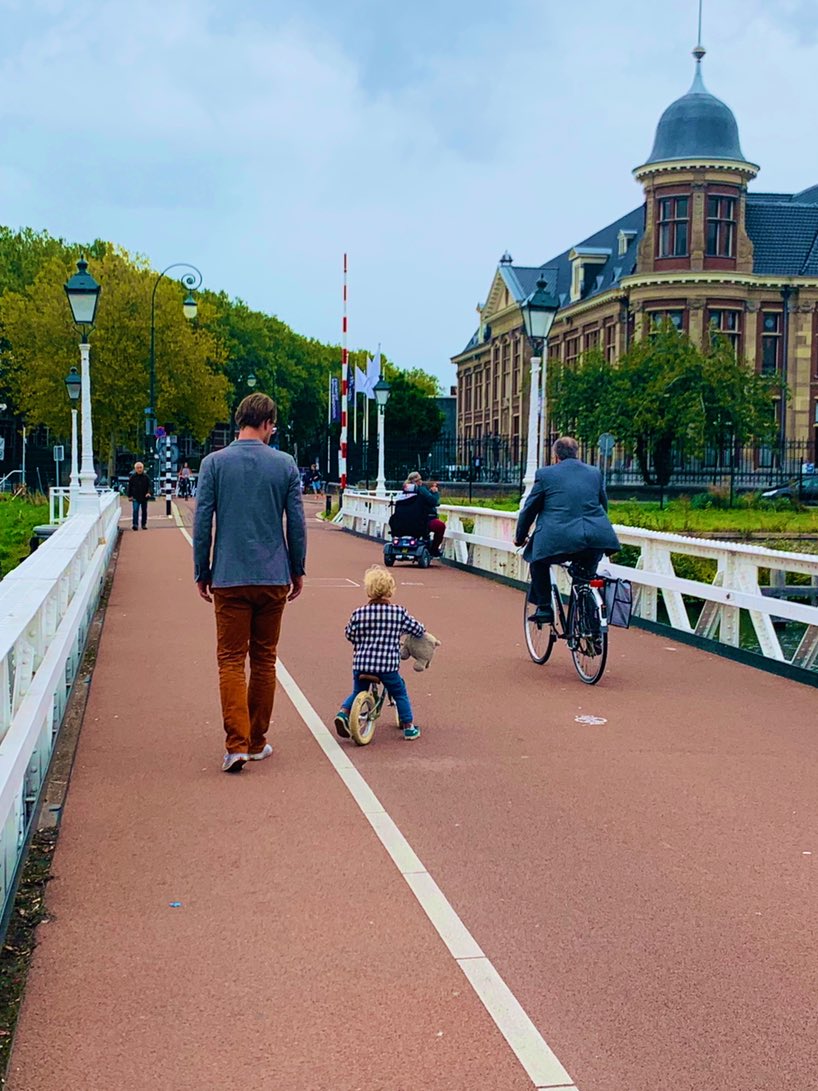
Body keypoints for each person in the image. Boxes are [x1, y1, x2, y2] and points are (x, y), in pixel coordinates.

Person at [194, 392, 307, 773]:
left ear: (240, 420)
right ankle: (256, 741)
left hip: (229, 575)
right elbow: (297, 523)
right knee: (264, 659)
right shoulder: (284, 464)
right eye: (273, 425)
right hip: (273, 575)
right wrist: (297, 568)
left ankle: (236, 745)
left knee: (230, 659)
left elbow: (202, 523)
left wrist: (202, 570)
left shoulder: (213, 464)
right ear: (267, 423)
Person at [514, 435, 620, 623]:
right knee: (584, 576)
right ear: (576, 453)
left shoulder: (545, 474)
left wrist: (520, 537)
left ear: (556, 455)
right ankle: (588, 621)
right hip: (596, 537)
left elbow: (529, 510)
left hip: (558, 539)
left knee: (537, 560)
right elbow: (603, 506)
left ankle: (544, 608)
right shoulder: (594, 473)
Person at [334, 565, 425, 741]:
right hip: (387, 666)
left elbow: (349, 634)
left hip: (362, 664)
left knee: (358, 691)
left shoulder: (359, 613)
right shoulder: (398, 612)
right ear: (390, 590)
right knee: (399, 692)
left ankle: (343, 713)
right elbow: (418, 629)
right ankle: (408, 727)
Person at [403, 471, 445, 556]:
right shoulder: (421, 489)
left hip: (407, 520)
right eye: (420, 479)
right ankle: (434, 549)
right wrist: (435, 493)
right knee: (441, 526)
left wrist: (428, 493)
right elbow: (434, 502)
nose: (421, 481)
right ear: (417, 481)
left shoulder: (405, 490)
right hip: (423, 521)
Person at [127, 461, 153, 530]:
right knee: (135, 510)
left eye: (140, 468)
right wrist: (129, 496)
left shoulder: (146, 477)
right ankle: (135, 524)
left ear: (143, 468)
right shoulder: (132, 477)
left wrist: (149, 493)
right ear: (135, 469)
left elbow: (150, 486)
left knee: (144, 511)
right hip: (135, 496)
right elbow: (129, 487)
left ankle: (143, 524)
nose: (139, 469)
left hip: (144, 496)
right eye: (138, 468)